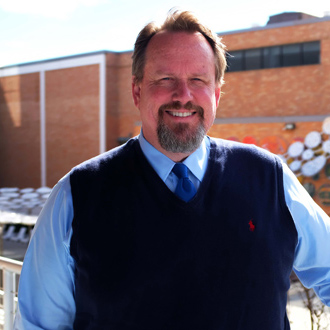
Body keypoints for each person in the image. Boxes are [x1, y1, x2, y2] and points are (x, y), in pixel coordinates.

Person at [14, 9, 330, 330]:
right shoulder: (75, 197)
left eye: (198, 80)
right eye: (166, 79)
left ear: (216, 94)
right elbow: (39, 325)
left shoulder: (270, 179)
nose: (183, 96)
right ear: (137, 91)